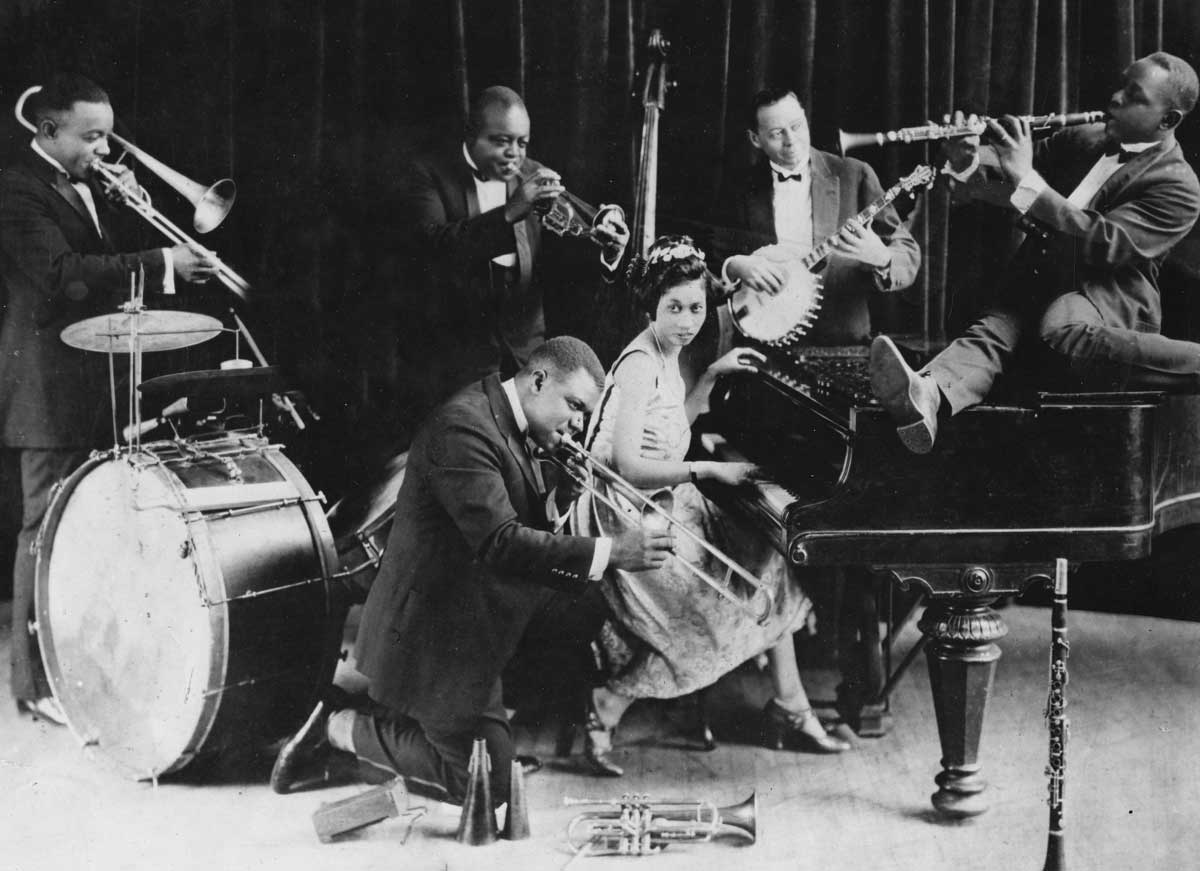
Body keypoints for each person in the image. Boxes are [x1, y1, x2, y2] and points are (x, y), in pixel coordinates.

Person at [269, 337, 675, 805]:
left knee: (581, 606)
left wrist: (564, 496)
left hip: (478, 601)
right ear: (538, 380)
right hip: (435, 631)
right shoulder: (463, 428)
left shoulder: (516, 417)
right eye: (575, 407)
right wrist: (611, 551)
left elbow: (525, 527)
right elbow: (501, 542)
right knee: (489, 789)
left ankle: (479, 719)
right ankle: (341, 727)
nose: (578, 425)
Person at [575, 236, 851, 778]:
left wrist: (710, 377)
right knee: (712, 624)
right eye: (673, 308)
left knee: (772, 568)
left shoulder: (667, 355)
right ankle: (605, 706)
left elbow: (669, 429)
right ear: (649, 307)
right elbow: (630, 465)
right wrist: (711, 471)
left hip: (661, 502)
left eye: (696, 307)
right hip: (630, 519)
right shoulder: (637, 366)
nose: (686, 320)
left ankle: (791, 706)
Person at [0, 73, 217, 724]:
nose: (105, 149)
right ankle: (34, 684)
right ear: (48, 131)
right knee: (45, 533)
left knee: (89, 530)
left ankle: (84, 668)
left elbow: (102, 266)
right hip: (48, 391)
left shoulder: (84, 185)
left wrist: (130, 210)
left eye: (107, 135)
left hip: (94, 379)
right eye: (92, 136)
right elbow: (61, 278)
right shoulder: (16, 189)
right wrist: (163, 262)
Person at [871, 52, 1200, 453]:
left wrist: (1027, 179)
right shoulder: (1087, 138)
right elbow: (1006, 171)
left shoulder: (1179, 186)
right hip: (1039, 279)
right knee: (989, 333)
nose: (1114, 98)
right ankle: (929, 395)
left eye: (1133, 96)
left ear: (1168, 121)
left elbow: (1103, 241)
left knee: (1058, 327)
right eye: (1120, 85)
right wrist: (967, 158)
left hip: (1101, 298)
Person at [393, 85, 630, 429]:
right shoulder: (428, 173)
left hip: (527, 356)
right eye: (500, 141)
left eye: (522, 143)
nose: (513, 155)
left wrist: (606, 236)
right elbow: (434, 250)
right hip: (456, 360)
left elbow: (581, 228)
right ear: (472, 135)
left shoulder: (533, 173)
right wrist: (510, 211)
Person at [710, 87, 921, 346]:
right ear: (755, 139)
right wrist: (734, 266)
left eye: (797, 126)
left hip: (841, 342)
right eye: (776, 133)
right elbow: (712, 260)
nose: (791, 140)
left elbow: (908, 253)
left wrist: (883, 257)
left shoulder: (854, 174)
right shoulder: (739, 188)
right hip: (761, 346)